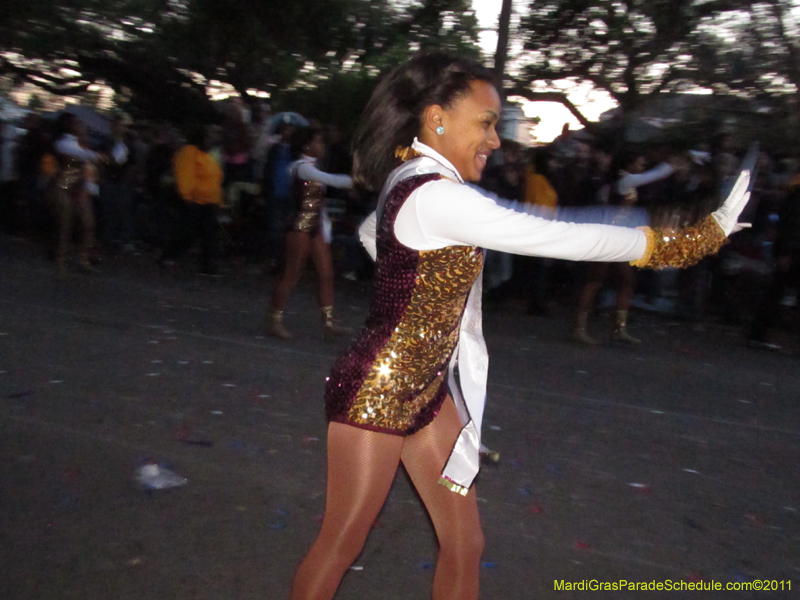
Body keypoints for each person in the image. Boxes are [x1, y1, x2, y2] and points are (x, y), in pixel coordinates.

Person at [288, 53, 751, 600]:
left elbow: (373, 232)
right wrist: (688, 242)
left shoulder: (417, 179)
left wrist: (404, 273)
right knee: (341, 542)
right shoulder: (436, 194)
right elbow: (564, 237)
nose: (496, 139)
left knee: (465, 543)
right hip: (379, 389)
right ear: (437, 119)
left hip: (426, 389)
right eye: (486, 123)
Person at [572, 150, 676, 344]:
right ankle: (580, 328)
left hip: (619, 238)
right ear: (629, 165)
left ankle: (618, 328)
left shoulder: (620, 182)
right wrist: (670, 165)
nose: (641, 168)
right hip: (610, 238)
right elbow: (653, 176)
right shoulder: (625, 181)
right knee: (596, 280)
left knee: (624, 281)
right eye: (639, 163)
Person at [265, 126, 354, 340]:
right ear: (306, 145)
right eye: (318, 141)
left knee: (326, 273)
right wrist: (359, 179)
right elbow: (331, 180)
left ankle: (329, 323)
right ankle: (274, 319)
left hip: (314, 228)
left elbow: (320, 203)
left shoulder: (310, 167)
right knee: (292, 273)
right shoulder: (300, 167)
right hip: (300, 227)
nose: (322, 145)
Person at [159, 125, 223, 275]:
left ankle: (208, 264)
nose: (213, 139)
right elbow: (185, 176)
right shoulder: (189, 152)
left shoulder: (207, 155)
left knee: (209, 234)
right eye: (209, 136)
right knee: (188, 232)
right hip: (194, 201)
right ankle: (169, 257)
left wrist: (217, 200)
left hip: (209, 201)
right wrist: (187, 196)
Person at [50, 113, 105, 276]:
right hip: (64, 185)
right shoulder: (64, 143)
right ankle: (61, 261)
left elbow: (89, 168)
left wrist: (90, 187)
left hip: (79, 188)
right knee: (65, 224)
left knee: (88, 225)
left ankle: (83, 260)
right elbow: (82, 157)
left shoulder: (81, 144)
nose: (81, 126)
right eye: (77, 124)